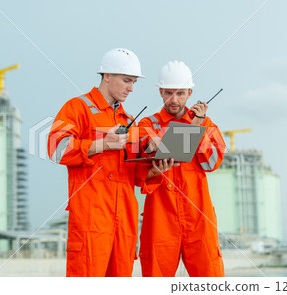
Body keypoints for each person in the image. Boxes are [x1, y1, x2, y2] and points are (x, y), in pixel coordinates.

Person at [47, 48, 146, 277]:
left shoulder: (129, 120)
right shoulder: (77, 108)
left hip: (123, 224)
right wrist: (101, 144)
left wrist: (155, 167)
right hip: (91, 221)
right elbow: (56, 149)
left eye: (134, 82)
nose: (131, 88)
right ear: (107, 75)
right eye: (127, 80)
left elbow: (135, 174)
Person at [136, 61, 226, 277]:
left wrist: (198, 127)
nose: (174, 100)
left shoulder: (206, 124)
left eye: (180, 93)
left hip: (198, 217)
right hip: (160, 219)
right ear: (160, 91)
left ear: (190, 93)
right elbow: (138, 167)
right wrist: (152, 146)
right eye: (168, 93)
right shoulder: (147, 124)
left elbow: (211, 163)